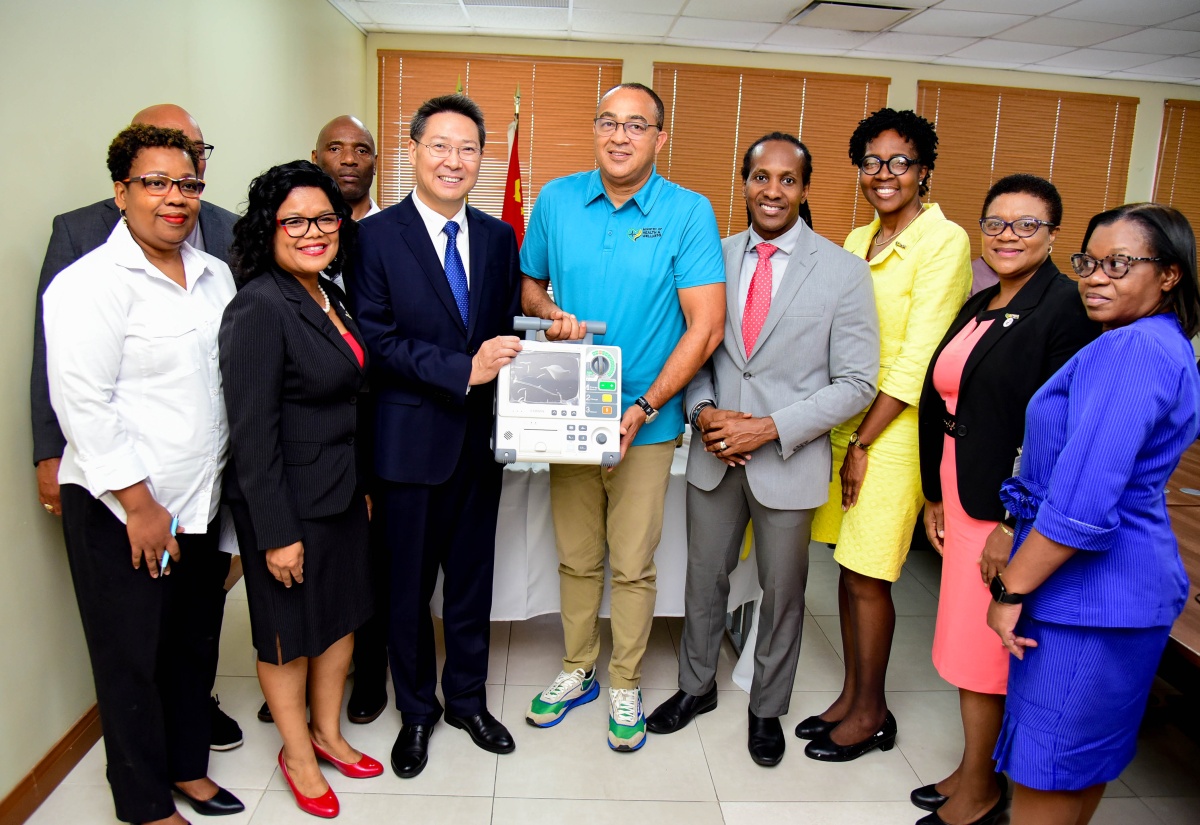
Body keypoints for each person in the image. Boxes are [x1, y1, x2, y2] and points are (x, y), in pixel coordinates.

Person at [645, 133, 879, 767]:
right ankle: (695, 688)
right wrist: (703, 413)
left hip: (788, 459)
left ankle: (766, 708)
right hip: (713, 455)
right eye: (760, 178)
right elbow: (691, 351)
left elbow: (858, 381)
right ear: (742, 182)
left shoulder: (843, 271)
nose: (772, 191)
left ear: (805, 188)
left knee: (781, 592)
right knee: (702, 580)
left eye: (788, 180)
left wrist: (770, 427)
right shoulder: (710, 258)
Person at [43, 124, 244, 825]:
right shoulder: (90, 284)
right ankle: (143, 801)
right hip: (123, 509)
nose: (174, 197)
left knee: (192, 645)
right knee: (130, 657)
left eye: (186, 183)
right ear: (121, 191)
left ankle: (188, 766)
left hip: (198, 503)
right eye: (154, 182)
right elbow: (82, 403)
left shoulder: (215, 273)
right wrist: (138, 502)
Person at [520, 82, 726, 752]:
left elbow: (706, 326)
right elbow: (529, 282)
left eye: (636, 125)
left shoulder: (688, 212)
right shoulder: (555, 200)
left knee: (632, 563)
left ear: (659, 138)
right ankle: (577, 668)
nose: (619, 136)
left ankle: (625, 679)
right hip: (570, 411)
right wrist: (551, 316)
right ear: (594, 129)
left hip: (648, 420)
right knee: (577, 557)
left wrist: (645, 406)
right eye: (608, 121)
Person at [986, 203, 1200, 825]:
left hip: (1089, 599)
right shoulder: (1161, 344)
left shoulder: (1132, 350)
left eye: (1120, 263)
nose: (1096, 277)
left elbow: (1081, 504)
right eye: (1089, 263)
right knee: (1080, 767)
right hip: (1124, 595)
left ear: (1170, 275)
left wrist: (1009, 586)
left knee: (1049, 772)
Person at [914, 175, 1098, 825]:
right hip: (962, 490)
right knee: (966, 646)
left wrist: (1014, 523)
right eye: (996, 223)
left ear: (1053, 235)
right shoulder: (983, 299)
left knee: (984, 653)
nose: (1008, 236)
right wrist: (934, 494)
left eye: (1026, 225)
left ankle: (983, 793)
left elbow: (1057, 427)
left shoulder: (1064, 307)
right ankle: (973, 768)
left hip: (1004, 507)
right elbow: (947, 399)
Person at [352, 94, 523, 778]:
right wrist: (464, 368)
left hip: (479, 446)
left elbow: (507, 324)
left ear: (481, 158)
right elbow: (375, 337)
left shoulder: (499, 236)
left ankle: (468, 701)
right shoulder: (373, 236)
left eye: (468, 149)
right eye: (440, 146)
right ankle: (417, 711)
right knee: (406, 589)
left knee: (471, 584)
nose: (455, 160)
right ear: (414, 151)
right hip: (407, 448)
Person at [802, 108, 972, 762]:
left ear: (924, 169)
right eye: (872, 161)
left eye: (900, 161)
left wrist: (866, 443)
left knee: (871, 574)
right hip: (845, 420)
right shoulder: (855, 239)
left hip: (894, 432)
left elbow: (919, 358)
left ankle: (872, 712)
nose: (885, 174)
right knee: (846, 570)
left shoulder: (944, 241)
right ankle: (853, 695)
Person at [220, 160, 383, 819]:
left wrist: (361, 485)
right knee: (288, 633)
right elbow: (252, 434)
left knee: (341, 617)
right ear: (270, 227)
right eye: (296, 221)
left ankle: (329, 730)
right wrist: (278, 533)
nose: (314, 231)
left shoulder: (326, 292)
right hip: (286, 503)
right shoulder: (259, 305)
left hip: (340, 494)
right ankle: (297, 752)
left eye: (325, 218)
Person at [311, 114, 387, 726]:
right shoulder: (295, 235)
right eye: (336, 147)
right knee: (317, 556)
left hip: (380, 416)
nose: (348, 158)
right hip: (315, 423)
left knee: (375, 555)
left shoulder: (388, 234)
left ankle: (370, 671)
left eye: (361, 148)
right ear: (317, 155)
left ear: (377, 162)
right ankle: (307, 682)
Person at [312, 115, 381, 225]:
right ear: (315, 159)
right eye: (334, 149)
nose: (349, 159)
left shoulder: (397, 235)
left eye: (362, 151)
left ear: (375, 164)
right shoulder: (298, 233)